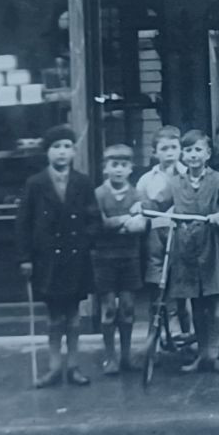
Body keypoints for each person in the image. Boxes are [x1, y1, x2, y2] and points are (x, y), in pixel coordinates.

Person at [17, 124, 99, 388]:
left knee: (74, 318)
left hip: (76, 259)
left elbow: (93, 219)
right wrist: (26, 258)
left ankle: (73, 366)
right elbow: (23, 223)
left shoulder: (83, 182)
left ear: (74, 152)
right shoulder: (35, 184)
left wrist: (85, 242)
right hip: (47, 261)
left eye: (66, 147)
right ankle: (54, 367)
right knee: (54, 318)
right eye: (56, 147)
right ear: (47, 153)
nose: (61, 152)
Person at [167, 130, 219, 374]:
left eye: (198, 150)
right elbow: (162, 206)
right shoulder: (176, 182)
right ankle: (201, 356)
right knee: (197, 307)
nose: (193, 155)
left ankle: (213, 354)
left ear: (208, 154)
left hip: (212, 251)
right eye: (187, 150)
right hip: (186, 251)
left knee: (215, 307)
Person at [93, 143, 149, 376]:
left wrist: (120, 223)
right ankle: (110, 358)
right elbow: (100, 224)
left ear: (130, 169)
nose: (118, 170)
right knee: (109, 309)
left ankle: (126, 356)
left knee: (127, 307)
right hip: (104, 259)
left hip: (129, 258)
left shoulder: (137, 194)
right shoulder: (98, 194)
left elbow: (142, 225)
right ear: (105, 168)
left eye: (123, 165)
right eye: (113, 165)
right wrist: (126, 220)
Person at [136, 126, 190, 339]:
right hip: (156, 238)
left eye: (173, 147)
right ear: (154, 152)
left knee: (183, 292)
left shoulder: (188, 175)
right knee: (157, 289)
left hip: (182, 236)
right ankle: (155, 338)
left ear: (181, 150)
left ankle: (187, 336)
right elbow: (140, 207)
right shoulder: (147, 180)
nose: (169, 152)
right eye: (164, 148)